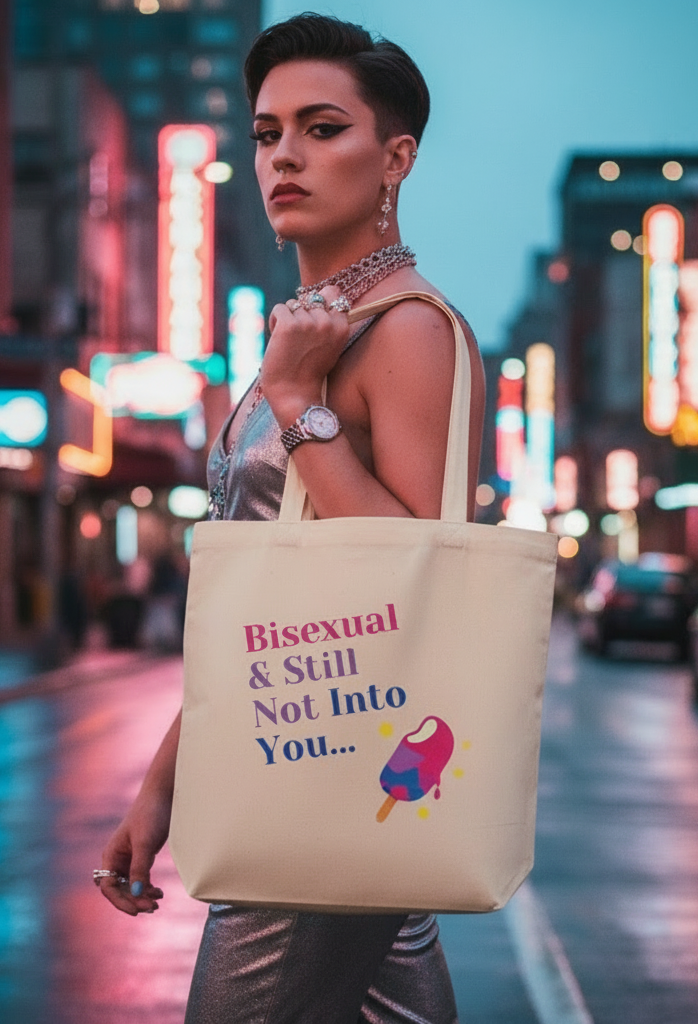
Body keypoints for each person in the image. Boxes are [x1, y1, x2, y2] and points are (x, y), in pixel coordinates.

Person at [98, 15, 485, 1023]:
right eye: (268, 133)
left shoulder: (406, 331)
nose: (284, 156)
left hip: (331, 772)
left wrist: (297, 404)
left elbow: (408, 570)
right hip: (311, 750)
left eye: (322, 128)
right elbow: (258, 608)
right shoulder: (308, 335)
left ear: (395, 157)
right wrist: (161, 785)